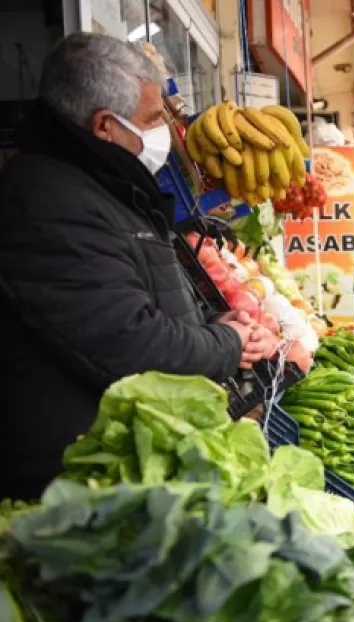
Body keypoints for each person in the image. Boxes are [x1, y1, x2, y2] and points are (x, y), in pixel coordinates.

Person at [0, 33, 269, 501]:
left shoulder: (105, 187)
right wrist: (226, 344)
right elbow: (125, 341)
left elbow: (136, 296)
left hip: (124, 463)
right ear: (105, 125)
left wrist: (215, 323)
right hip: (76, 483)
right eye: (150, 120)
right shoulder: (48, 202)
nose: (161, 131)